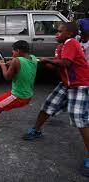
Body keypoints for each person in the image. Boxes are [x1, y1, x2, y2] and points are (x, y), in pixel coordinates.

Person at [23, 22, 89, 177]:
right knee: (48, 105)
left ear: (70, 34)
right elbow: (57, 66)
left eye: (60, 32)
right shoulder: (60, 47)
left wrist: (47, 60)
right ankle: (36, 130)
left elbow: (66, 63)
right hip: (66, 84)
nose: (56, 34)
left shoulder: (71, 43)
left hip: (80, 84)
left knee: (79, 119)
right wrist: (40, 63)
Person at [0, 40, 37, 145]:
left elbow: (7, 77)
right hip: (27, 94)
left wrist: (3, 65)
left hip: (19, 96)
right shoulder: (33, 58)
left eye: (13, 52)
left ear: (18, 51)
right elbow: (20, 64)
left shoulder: (16, 61)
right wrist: (11, 63)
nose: (12, 54)